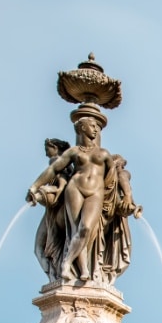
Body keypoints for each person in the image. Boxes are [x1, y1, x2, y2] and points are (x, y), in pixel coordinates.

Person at [27, 108, 141, 285]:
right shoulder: (74, 152)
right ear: (82, 128)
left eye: (97, 126)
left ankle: (68, 260)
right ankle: (81, 269)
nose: (95, 129)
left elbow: (114, 180)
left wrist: (126, 200)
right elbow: (53, 169)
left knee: (86, 228)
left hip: (96, 191)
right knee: (75, 229)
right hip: (75, 188)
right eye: (92, 126)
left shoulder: (103, 154)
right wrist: (35, 186)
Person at [32, 137, 72, 282]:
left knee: (38, 248)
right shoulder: (68, 164)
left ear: (55, 148)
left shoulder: (55, 160)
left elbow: (61, 176)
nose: (46, 153)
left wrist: (38, 189)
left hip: (54, 210)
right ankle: (57, 276)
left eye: (47, 149)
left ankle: (53, 277)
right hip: (57, 208)